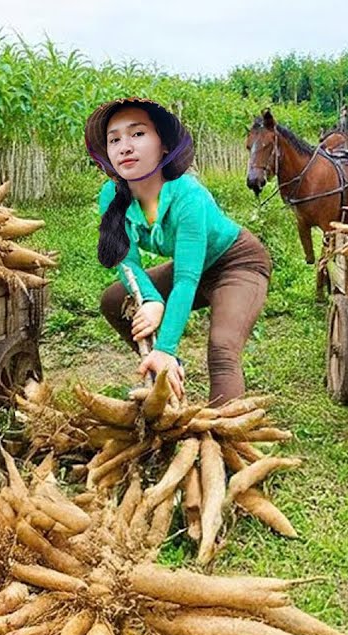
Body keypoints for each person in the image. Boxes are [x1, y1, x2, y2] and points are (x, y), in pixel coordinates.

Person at [84, 97, 272, 405]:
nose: (125, 146)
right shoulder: (112, 196)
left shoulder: (188, 195)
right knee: (114, 299)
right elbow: (125, 260)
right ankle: (170, 370)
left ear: (165, 146)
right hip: (195, 266)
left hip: (237, 263)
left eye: (138, 134)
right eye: (114, 139)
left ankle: (222, 439)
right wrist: (153, 300)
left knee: (222, 348)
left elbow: (186, 279)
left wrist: (165, 347)